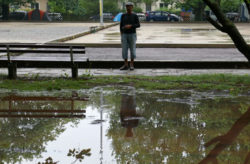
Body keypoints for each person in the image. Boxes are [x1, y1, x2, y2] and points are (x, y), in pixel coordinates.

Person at [120, 2, 140, 70]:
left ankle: (131, 64)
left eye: (130, 6)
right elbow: (121, 25)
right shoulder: (123, 15)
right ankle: (125, 64)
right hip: (124, 35)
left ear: (132, 7)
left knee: (132, 49)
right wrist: (121, 33)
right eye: (127, 6)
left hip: (132, 34)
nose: (128, 8)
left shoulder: (135, 15)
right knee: (124, 50)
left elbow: (138, 25)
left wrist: (131, 26)